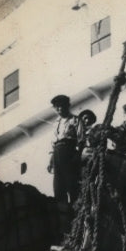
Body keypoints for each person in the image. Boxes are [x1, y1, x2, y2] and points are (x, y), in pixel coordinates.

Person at [48, 95, 81, 223]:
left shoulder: (75, 120)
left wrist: (77, 156)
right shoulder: (56, 123)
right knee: (58, 187)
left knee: (71, 186)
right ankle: (63, 221)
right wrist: (51, 160)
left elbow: (81, 140)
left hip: (69, 151)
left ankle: (76, 218)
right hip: (57, 152)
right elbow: (53, 143)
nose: (60, 109)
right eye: (57, 107)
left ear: (67, 106)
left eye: (62, 106)